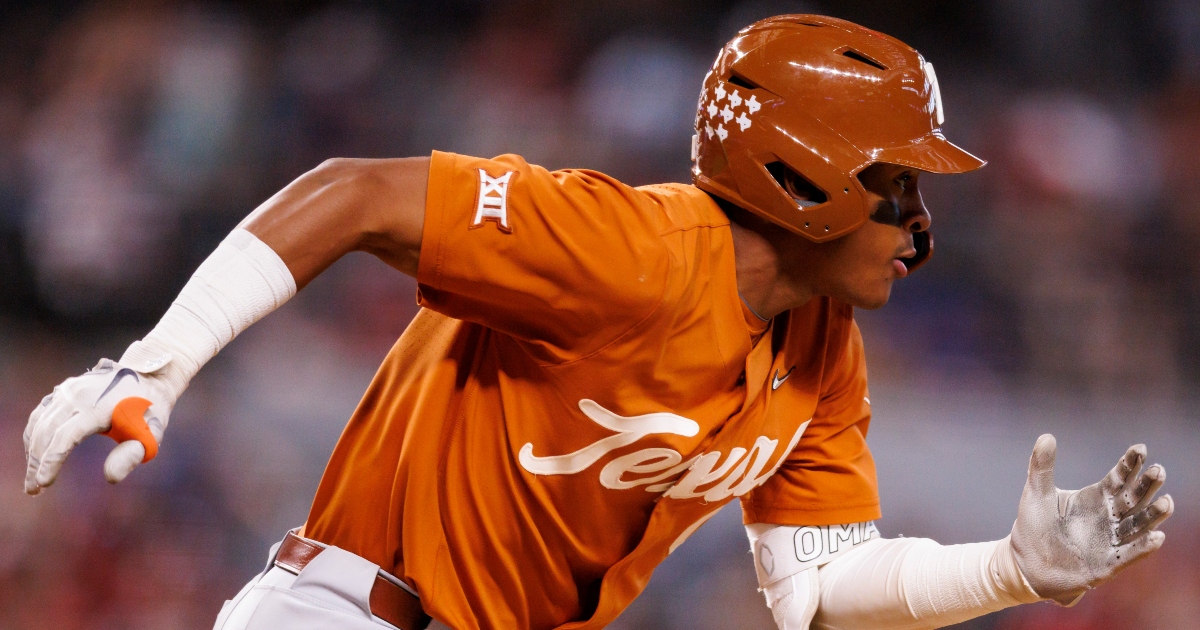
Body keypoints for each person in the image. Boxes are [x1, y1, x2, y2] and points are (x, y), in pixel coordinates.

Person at [23, 15, 1172, 630]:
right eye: (896, 186)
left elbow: (817, 592)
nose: (921, 223)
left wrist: (1011, 571)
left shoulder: (826, 351)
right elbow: (358, 194)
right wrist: (158, 363)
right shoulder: (626, 246)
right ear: (798, 176)